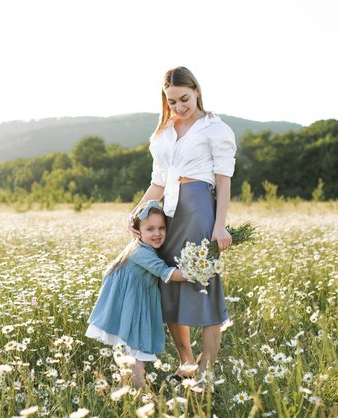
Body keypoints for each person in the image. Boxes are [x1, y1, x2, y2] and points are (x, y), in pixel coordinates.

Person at [129, 66, 237, 381]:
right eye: (172, 101)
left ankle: (205, 372)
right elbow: (158, 183)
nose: (179, 107)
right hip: (169, 216)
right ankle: (187, 362)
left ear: (197, 91)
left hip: (200, 209)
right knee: (170, 288)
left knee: (204, 286)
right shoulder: (162, 133)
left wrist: (220, 226)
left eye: (184, 99)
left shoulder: (215, 129)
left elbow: (223, 181)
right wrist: (136, 212)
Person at [86, 200, 187, 387]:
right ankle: (141, 396)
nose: (157, 233)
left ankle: (133, 390)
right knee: (133, 352)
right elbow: (167, 273)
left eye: (161, 228)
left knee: (131, 352)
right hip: (129, 304)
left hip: (134, 302)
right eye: (150, 229)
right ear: (138, 231)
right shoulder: (141, 252)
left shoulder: (142, 247)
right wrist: (197, 274)